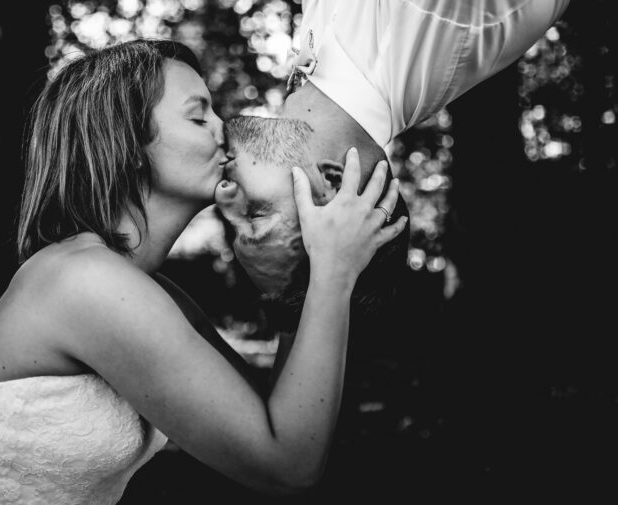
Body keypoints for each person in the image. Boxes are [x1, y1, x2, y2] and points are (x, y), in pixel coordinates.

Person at [0, 39, 407, 505]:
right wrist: (333, 275)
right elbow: (286, 464)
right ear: (128, 145)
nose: (224, 128)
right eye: (198, 115)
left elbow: (276, 413)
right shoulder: (87, 282)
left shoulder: (150, 291)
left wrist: (291, 287)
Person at [216, 0, 571, 309]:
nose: (223, 196)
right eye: (255, 216)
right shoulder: (447, 21)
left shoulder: (330, 56)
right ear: (334, 183)